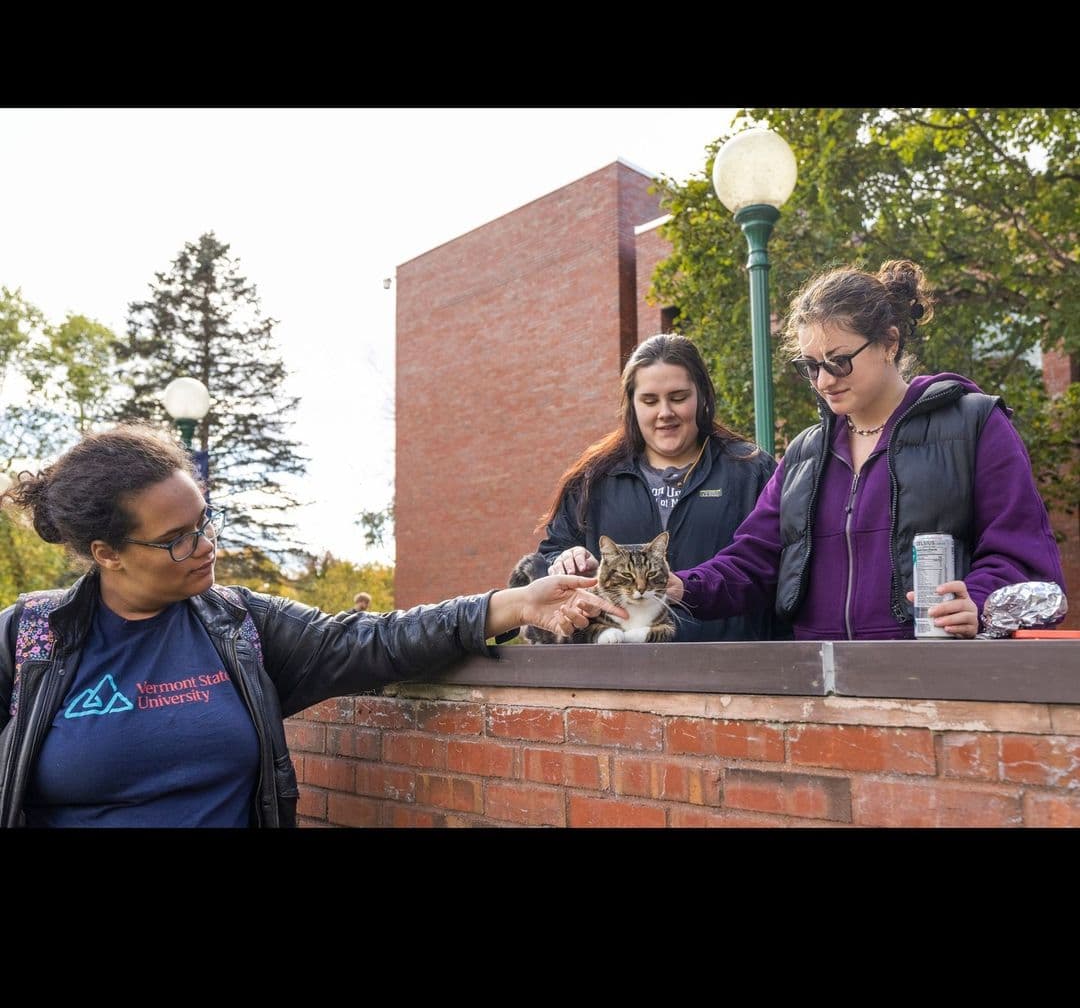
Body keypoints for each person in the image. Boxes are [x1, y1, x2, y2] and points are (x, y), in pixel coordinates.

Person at [0, 425, 622, 828]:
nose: (204, 546)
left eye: (204, 522)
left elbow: (371, 639)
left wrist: (511, 605)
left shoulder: (240, 625)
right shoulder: (26, 642)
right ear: (108, 552)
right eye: (175, 540)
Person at [666, 259, 1066, 640]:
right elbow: (752, 563)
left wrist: (977, 602)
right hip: (822, 689)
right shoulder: (804, 454)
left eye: (839, 361)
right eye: (811, 365)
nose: (824, 381)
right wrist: (679, 586)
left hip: (940, 678)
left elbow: (1021, 553)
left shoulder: (974, 424)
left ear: (889, 342)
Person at [536, 333, 781, 642]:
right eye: (650, 400)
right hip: (618, 677)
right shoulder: (593, 479)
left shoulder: (751, 471)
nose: (665, 412)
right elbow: (545, 567)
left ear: (702, 396)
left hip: (730, 673)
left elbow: (774, 569)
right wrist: (562, 560)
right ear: (632, 405)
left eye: (678, 397)